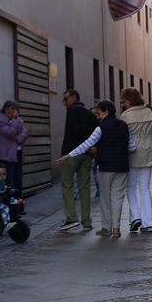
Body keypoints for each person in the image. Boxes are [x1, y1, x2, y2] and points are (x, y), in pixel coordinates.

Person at [56, 100, 133, 237]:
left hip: (105, 166)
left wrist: (69, 155)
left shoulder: (101, 128)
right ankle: (116, 228)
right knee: (118, 198)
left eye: (98, 113)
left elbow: (87, 144)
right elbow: (132, 146)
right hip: (122, 166)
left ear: (105, 111)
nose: (97, 116)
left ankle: (106, 227)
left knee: (105, 198)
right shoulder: (123, 125)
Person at [120, 88, 152, 233]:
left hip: (132, 152)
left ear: (129, 100)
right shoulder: (149, 111)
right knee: (145, 187)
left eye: (124, 101)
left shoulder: (125, 116)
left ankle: (136, 217)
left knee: (130, 187)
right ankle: (149, 222)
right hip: (148, 151)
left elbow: (123, 137)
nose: (123, 104)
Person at [57, 89, 97, 231]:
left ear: (74, 97)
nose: (64, 103)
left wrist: (66, 153)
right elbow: (96, 132)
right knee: (84, 187)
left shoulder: (72, 111)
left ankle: (71, 218)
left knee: (66, 183)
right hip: (87, 155)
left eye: (66, 99)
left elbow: (73, 132)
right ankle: (86, 221)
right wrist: (91, 148)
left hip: (74, 153)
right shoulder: (90, 114)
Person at [0, 99, 29, 194]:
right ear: (6, 109)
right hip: (6, 156)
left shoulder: (19, 120)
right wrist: (16, 121)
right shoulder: (0, 120)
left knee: (18, 179)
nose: (15, 111)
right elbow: (10, 132)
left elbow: (25, 132)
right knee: (10, 181)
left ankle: (19, 203)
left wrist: (17, 138)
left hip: (18, 153)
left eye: (16, 108)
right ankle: (11, 203)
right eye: (12, 108)